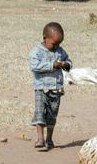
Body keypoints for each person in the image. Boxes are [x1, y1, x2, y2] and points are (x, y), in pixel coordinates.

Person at [29, 21, 72, 151]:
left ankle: (49, 139)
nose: (56, 47)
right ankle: (40, 138)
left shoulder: (60, 51)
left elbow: (69, 60)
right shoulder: (36, 52)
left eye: (59, 44)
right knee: (40, 112)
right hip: (41, 88)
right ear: (45, 38)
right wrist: (52, 65)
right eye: (54, 44)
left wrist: (66, 64)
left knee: (52, 115)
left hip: (56, 89)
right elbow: (34, 66)